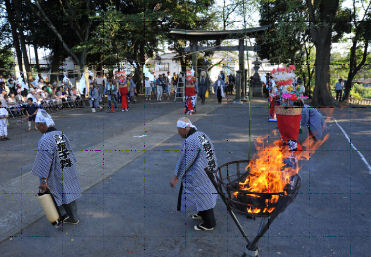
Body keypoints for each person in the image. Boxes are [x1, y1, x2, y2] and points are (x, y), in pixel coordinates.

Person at [32, 109, 81, 224]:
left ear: (43, 124)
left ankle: (61, 216)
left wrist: (43, 181)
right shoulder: (60, 134)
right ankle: (74, 217)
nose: (37, 128)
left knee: (56, 194)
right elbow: (70, 154)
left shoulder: (44, 140)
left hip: (56, 172)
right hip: (67, 168)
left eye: (37, 125)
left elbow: (44, 162)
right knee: (69, 192)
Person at [170, 117, 218, 231]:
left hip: (201, 173)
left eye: (179, 130)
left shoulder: (190, 141)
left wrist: (176, 177)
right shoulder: (201, 134)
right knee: (204, 194)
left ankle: (209, 223)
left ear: (185, 128)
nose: (178, 133)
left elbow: (185, 161)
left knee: (203, 195)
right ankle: (202, 213)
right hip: (209, 169)